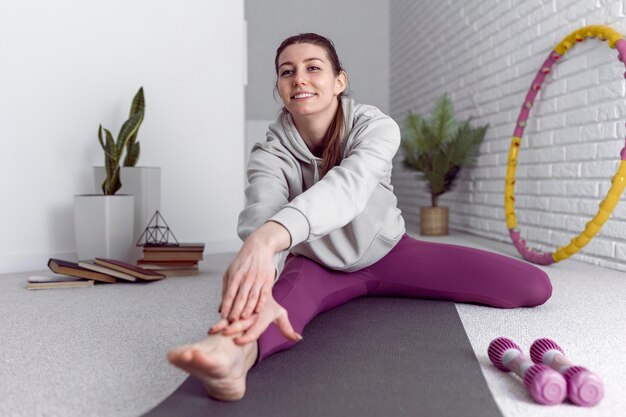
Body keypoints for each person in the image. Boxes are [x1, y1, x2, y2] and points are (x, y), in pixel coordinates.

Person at [167, 33, 553, 401]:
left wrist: (267, 239)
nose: (299, 78)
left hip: (390, 253)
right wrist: (261, 263)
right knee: (276, 304)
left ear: (339, 81)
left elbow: (347, 188)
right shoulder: (269, 153)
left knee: (533, 286)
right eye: (287, 71)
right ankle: (229, 356)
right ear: (280, 87)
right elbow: (261, 212)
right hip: (316, 266)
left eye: (313, 67)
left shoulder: (376, 127)